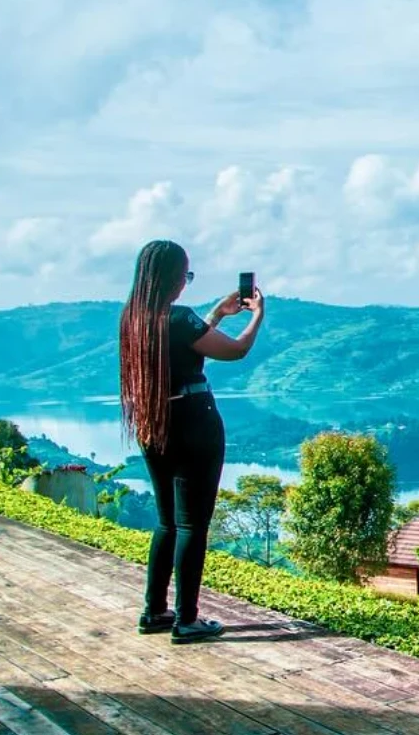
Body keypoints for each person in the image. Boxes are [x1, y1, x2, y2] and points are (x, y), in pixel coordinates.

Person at [117, 240, 265, 644]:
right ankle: (187, 619)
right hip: (195, 425)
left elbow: (186, 345)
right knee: (193, 524)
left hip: (156, 424)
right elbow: (236, 351)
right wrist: (257, 317)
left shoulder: (133, 322)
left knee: (167, 521)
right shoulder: (180, 319)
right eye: (186, 275)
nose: (186, 282)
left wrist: (217, 313)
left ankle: (155, 610)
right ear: (171, 278)